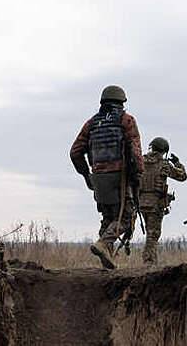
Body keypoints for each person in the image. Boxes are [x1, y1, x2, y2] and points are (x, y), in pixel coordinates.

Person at [70, 85, 144, 269]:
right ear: (121, 102)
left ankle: (107, 258)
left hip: (99, 177)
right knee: (125, 218)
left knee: (108, 216)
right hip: (120, 177)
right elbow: (135, 152)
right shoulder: (126, 120)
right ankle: (103, 244)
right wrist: (138, 175)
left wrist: (87, 175)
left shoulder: (91, 123)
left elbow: (75, 152)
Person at [139, 137, 187, 266]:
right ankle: (149, 262)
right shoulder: (164, 164)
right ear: (164, 150)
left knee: (150, 232)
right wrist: (177, 163)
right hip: (155, 203)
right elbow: (182, 176)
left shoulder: (140, 161)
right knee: (153, 234)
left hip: (141, 202)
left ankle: (151, 261)